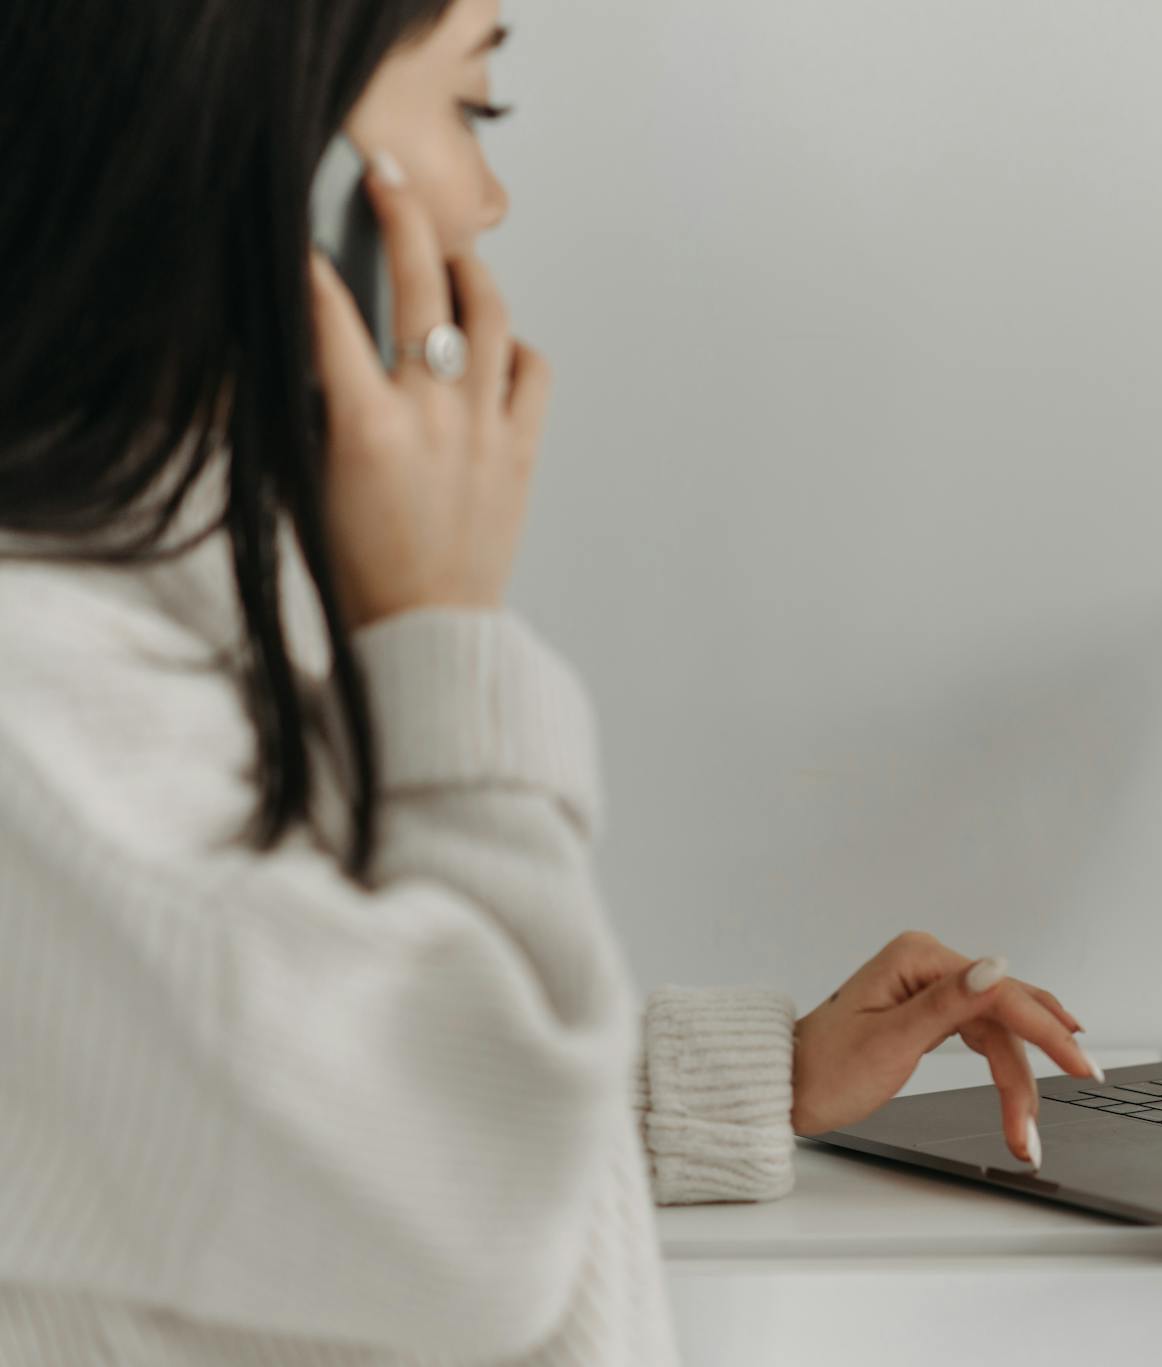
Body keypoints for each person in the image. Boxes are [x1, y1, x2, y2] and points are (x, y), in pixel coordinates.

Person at [0, 0, 1099, 1360]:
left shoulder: (171, 597)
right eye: (475, 108)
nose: (492, 197)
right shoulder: (40, 697)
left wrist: (763, 1080)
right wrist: (441, 635)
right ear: (301, 179)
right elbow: (465, 1225)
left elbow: (279, 1121)